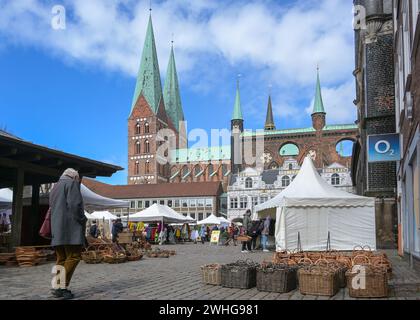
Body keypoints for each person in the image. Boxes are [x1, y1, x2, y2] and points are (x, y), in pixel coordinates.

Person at [49, 168, 86, 300]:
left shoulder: (55, 187)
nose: (78, 181)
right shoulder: (72, 184)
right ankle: (62, 286)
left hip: (57, 230)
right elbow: (75, 205)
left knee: (61, 258)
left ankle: (57, 286)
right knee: (74, 256)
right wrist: (82, 219)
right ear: (74, 177)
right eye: (78, 178)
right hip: (70, 229)